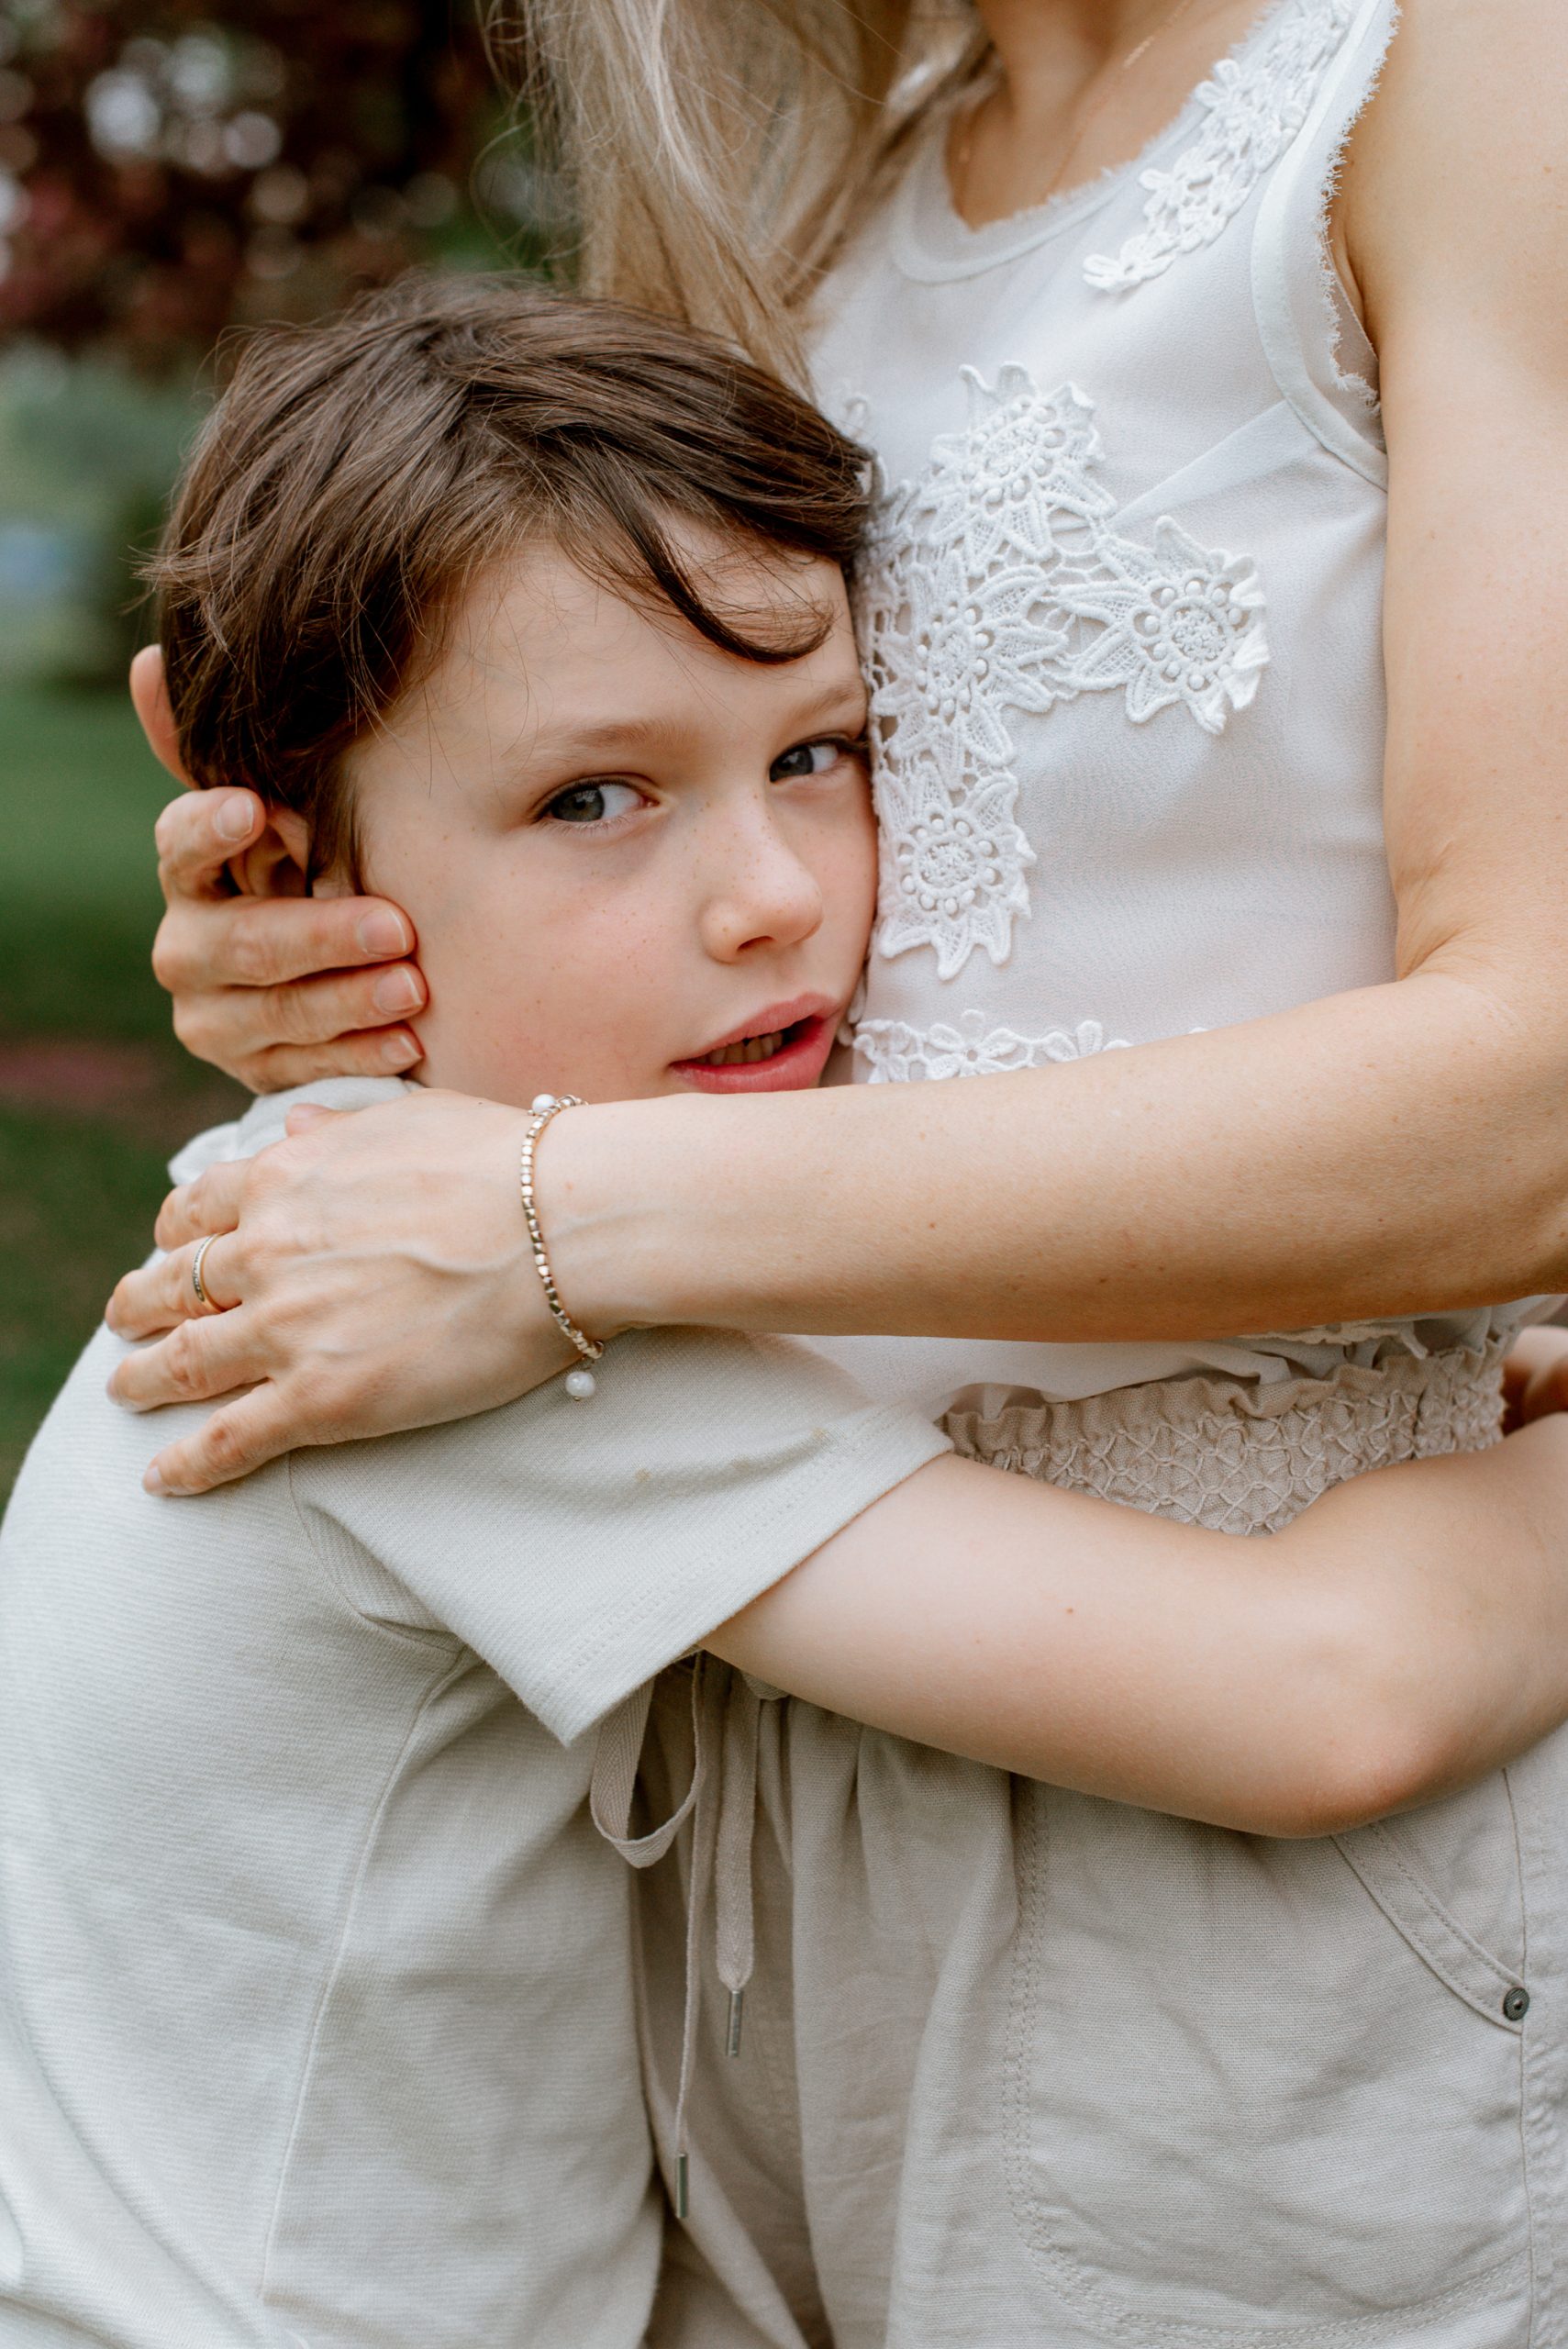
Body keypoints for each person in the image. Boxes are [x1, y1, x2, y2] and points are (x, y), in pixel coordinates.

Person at [105, 1, 1568, 2339]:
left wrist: (552, 1216)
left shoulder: (1465, 81)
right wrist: (334, 964)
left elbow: (1543, 1081)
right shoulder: (791, 180)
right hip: (758, 1746)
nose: (776, 874)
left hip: (1260, 1782)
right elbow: (570, 774)